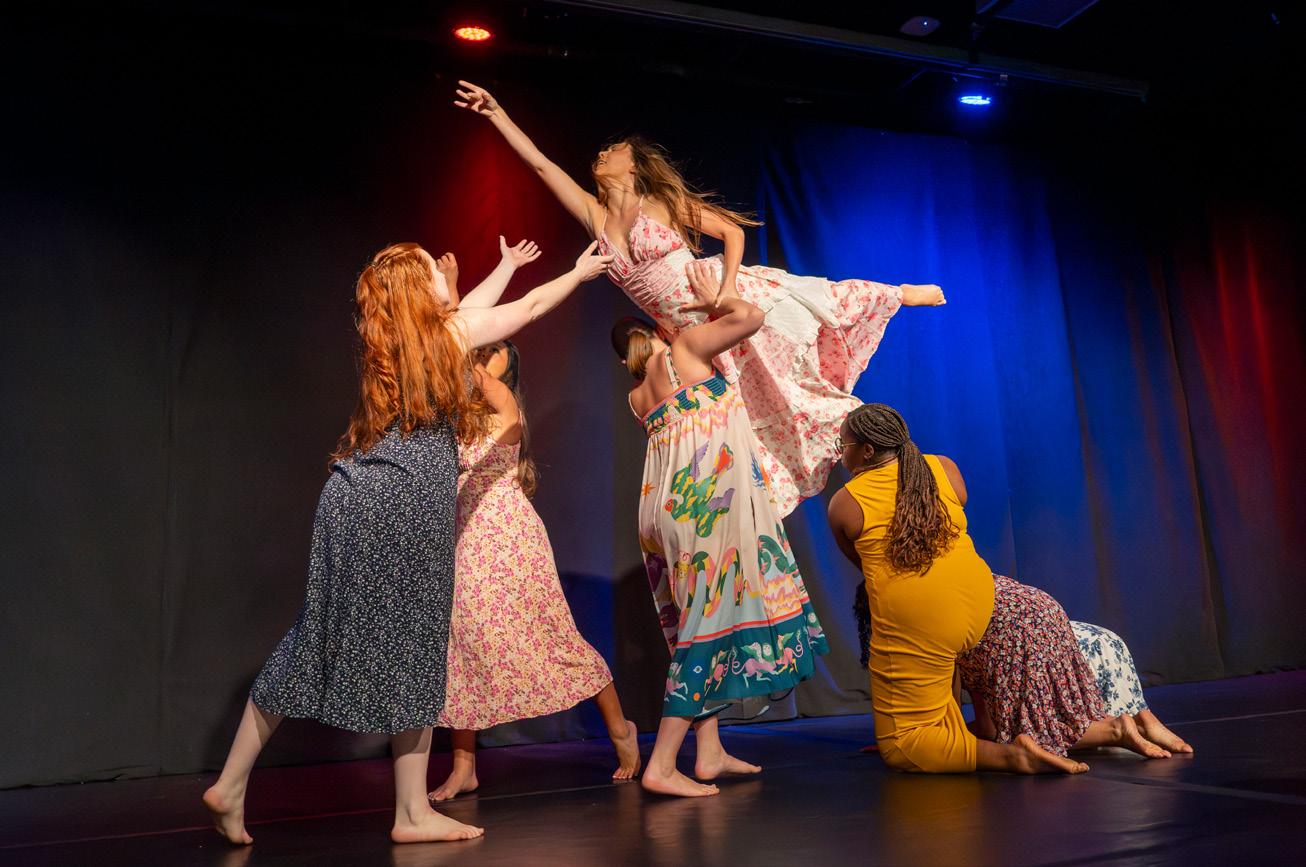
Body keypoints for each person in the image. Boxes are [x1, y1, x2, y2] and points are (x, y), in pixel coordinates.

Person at [202, 237, 612, 844]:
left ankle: (233, 784)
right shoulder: (447, 338)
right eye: (430, 268)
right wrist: (576, 273)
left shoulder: (400, 342)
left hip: (350, 496)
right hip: (405, 505)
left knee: (315, 641)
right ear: (422, 290)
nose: (443, 271)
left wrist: (503, 267)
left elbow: (473, 312)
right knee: (417, 647)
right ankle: (412, 813)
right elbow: (522, 310)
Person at [454, 79, 946, 517]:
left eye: (614, 149)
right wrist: (497, 114)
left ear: (634, 164)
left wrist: (726, 291)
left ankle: (899, 294)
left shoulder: (660, 204)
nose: (602, 153)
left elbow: (732, 232)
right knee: (767, 401)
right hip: (686, 328)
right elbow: (541, 166)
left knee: (815, 306)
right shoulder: (594, 216)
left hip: (710, 293)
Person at [827, 404, 1174, 774]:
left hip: (923, 615)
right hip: (981, 599)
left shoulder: (846, 502)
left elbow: (867, 568)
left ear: (867, 451)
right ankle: (1095, 728)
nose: (840, 455)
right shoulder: (943, 468)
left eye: (842, 446)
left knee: (904, 744)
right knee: (956, 674)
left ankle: (1013, 756)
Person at [619, 260, 828, 797]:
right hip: (704, 506)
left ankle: (708, 750)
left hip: (663, 511)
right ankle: (663, 764)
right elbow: (750, 316)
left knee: (693, 621)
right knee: (703, 628)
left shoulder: (638, 395)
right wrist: (718, 297)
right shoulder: (684, 350)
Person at [430, 340, 641, 802]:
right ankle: (464, 767)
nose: (481, 356)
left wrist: (460, 340)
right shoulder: (456, 415)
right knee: (462, 647)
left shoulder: (504, 403)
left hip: (509, 536)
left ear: (507, 369)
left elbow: (471, 373)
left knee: (554, 636)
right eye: (479, 351)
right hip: (466, 538)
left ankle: (620, 729)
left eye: (493, 352)